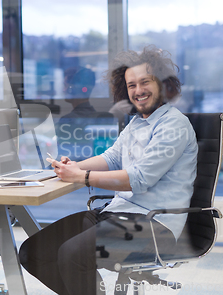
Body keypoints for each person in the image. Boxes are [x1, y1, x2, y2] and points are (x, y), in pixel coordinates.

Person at [19, 45, 198, 295]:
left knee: (72, 255)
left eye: (145, 82)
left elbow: (139, 179)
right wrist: (73, 167)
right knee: (32, 252)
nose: (138, 91)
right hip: (117, 213)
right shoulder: (137, 122)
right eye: (131, 85)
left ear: (162, 84)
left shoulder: (174, 124)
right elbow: (112, 157)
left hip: (155, 224)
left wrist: (82, 177)